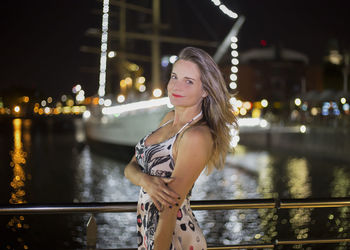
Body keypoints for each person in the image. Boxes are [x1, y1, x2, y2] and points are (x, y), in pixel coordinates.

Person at [124, 47, 237, 250]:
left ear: (205, 91)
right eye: (174, 77)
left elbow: (169, 208)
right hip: (149, 231)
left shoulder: (196, 136)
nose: (176, 86)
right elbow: (130, 166)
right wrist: (145, 180)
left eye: (189, 81)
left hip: (172, 238)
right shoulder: (168, 119)